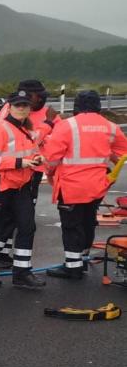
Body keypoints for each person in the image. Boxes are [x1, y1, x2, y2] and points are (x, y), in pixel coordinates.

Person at [42, 90, 127, 279]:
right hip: (97, 186)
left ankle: (73, 267)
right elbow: (123, 153)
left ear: (76, 107)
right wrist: (109, 159)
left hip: (71, 186)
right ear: (99, 106)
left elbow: (52, 160)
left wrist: (49, 173)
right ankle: (83, 259)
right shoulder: (110, 127)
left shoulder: (66, 126)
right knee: (88, 222)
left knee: (71, 225)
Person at [0, 94, 46, 288]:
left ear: (30, 109)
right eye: (18, 105)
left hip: (20, 187)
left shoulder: (27, 130)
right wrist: (19, 163)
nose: (22, 109)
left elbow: (32, 151)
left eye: (25, 106)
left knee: (27, 227)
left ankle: (22, 272)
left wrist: (37, 158)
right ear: (10, 107)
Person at [0, 79, 58, 264]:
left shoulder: (40, 113)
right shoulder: (11, 113)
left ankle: (3, 254)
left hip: (29, 171)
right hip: (12, 171)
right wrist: (48, 125)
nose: (40, 99)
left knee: (19, 219)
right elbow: (32, 137)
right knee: (13, 217)